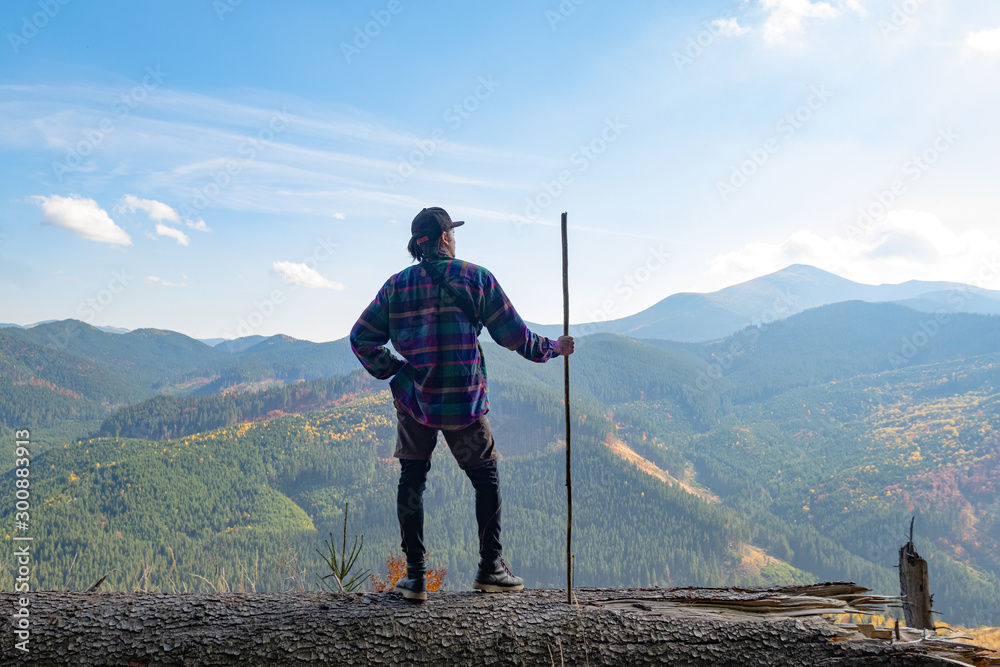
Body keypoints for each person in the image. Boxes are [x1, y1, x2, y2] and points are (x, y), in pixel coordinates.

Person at [350, 206, 575, 601]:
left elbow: (360, 338)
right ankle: (490, 567)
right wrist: (554, 348)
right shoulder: (476, 278)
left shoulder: (395, 287)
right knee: (484, 478)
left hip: (415, 401)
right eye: (452, 233)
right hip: (464, 403)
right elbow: (516, 338)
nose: (455, 239)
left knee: (412, 480)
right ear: (443, 238)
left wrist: (397, 371)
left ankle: (415, 575)